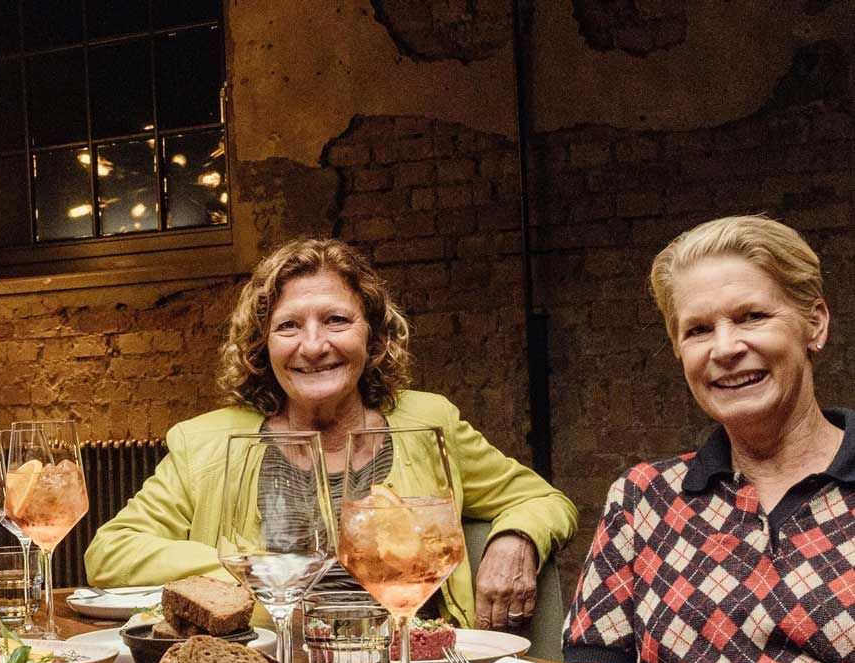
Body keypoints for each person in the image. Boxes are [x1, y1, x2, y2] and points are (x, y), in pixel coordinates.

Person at [85, 237, 577, 629]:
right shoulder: (206, 443)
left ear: (373, 335)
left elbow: (545, 500)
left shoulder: (429, 423)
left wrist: (515, 537)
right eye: (288, 326)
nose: (314, 345)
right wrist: (244, 568)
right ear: (262, 346)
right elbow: (111, 551)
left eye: (336, 320)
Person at [564, 215, 854, 663]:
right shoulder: (644, 498)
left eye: (752, 317)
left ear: (815, 324)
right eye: (698, 330)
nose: (725, 349)